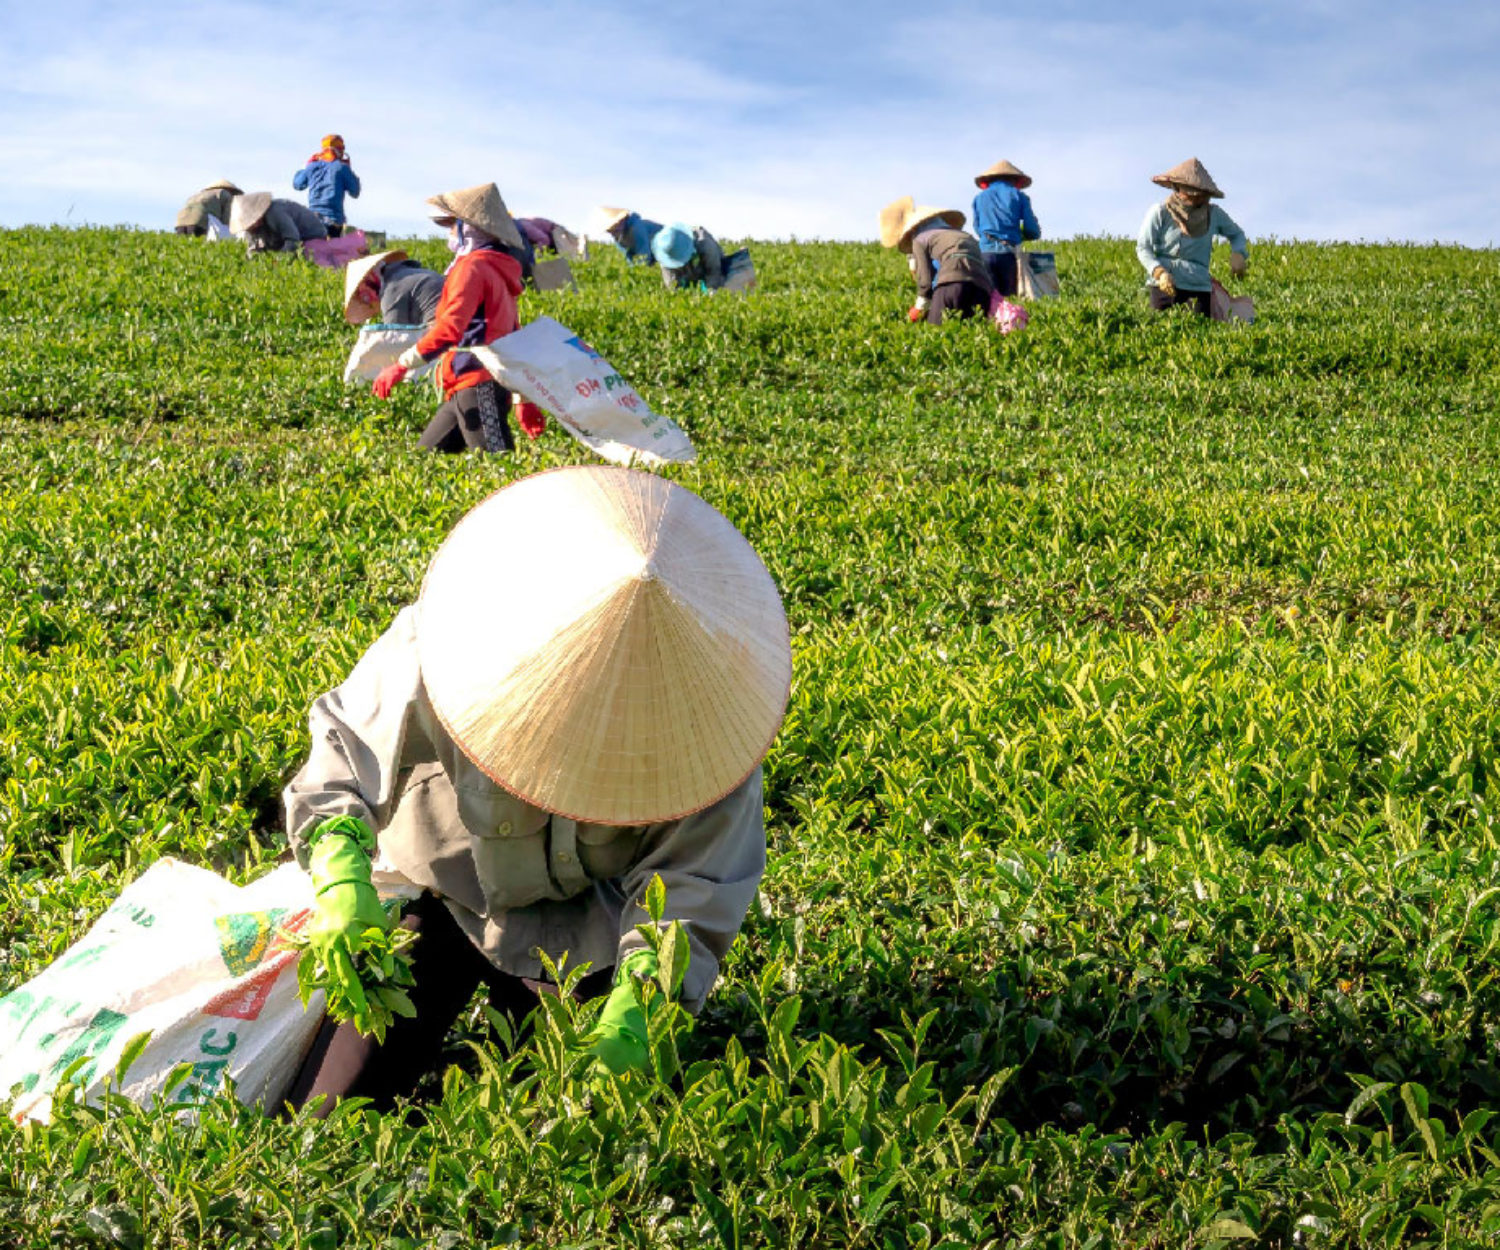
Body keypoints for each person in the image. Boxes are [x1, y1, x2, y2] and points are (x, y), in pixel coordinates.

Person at [282, 464, 793, 1116]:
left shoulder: (713, 732)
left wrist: (641, 1000)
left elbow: (693, 888)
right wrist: (341, 878)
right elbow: (343, 756)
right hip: (444, 894)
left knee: (586, 1132)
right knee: (323, 1118)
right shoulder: (442, 640)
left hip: (587, 927)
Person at [369, 182, 526, 454]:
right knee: (423, 459)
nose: (451, 232)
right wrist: (522, 398)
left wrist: (401, 365)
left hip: (479, 383)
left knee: (499, 469)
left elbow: (450, 329)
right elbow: (514, 336)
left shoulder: (472, 268)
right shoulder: (496, 270)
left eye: (454, 225)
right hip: (465, 384)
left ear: (470, 229)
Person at [1136, 158, 1248, 317]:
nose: (1199, 199)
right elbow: (1143, 248)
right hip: (1163, 286)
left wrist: (1238, 253)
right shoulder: (1160, 212)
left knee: (1199, 334)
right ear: (1178, 189)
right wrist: (1159, 272)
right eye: (1192, 194)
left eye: (1202, 195)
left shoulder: (1214, 214)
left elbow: (1237, 235)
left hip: (1198, 287)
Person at [881, 199, 993, 324]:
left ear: (913, 230)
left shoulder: (920, 239)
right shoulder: (964, 235)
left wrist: (919, 308)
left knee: (935, 331)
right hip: (983, 289)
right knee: (972, 332)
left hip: (951, 285)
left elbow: (925, 282)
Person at [971, 160, 1041, 297]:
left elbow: (977, 228)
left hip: (984, 254)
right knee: (1009, 300)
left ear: (989, 180)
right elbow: (1032, 230)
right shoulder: (1019, 196)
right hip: (1009, 255)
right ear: (1015, 180)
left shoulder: (978, 198)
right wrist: (1022, 235)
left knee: (990, 300)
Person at [343, 250, 444, 326]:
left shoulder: (391, 289)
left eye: (360, 292)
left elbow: (394, 338)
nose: (365, 299)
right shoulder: (409, 273)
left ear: (368, 278)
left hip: (442, 331)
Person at [292, 134, 361, 238]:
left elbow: (297, 184)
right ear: (340, 150)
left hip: (312, 220)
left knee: (312, 252)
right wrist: (350, 172)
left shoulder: (312, 167)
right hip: (334, 224)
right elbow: (355, 192)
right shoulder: (342, 168)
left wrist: (306, 167)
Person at [230, 192, 329, 257]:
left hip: (312, 237)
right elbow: (252, 248)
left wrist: (278, 259)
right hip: (289, 240)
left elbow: (293, 240)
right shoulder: (251, 229)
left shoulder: (275, 212)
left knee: (306, 256)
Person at [652, 223, 726, 291]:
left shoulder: (706, 246)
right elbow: (672, 285)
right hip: (687, 275)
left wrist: (711, 292)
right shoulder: (666, 252)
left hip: (711, 268)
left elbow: (714, 274)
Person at [174, 179, 241, 236]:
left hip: (180, 220)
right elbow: (226, 220)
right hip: (200, 220)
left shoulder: (198, 195)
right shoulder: (225, 194)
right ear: (230, 190)